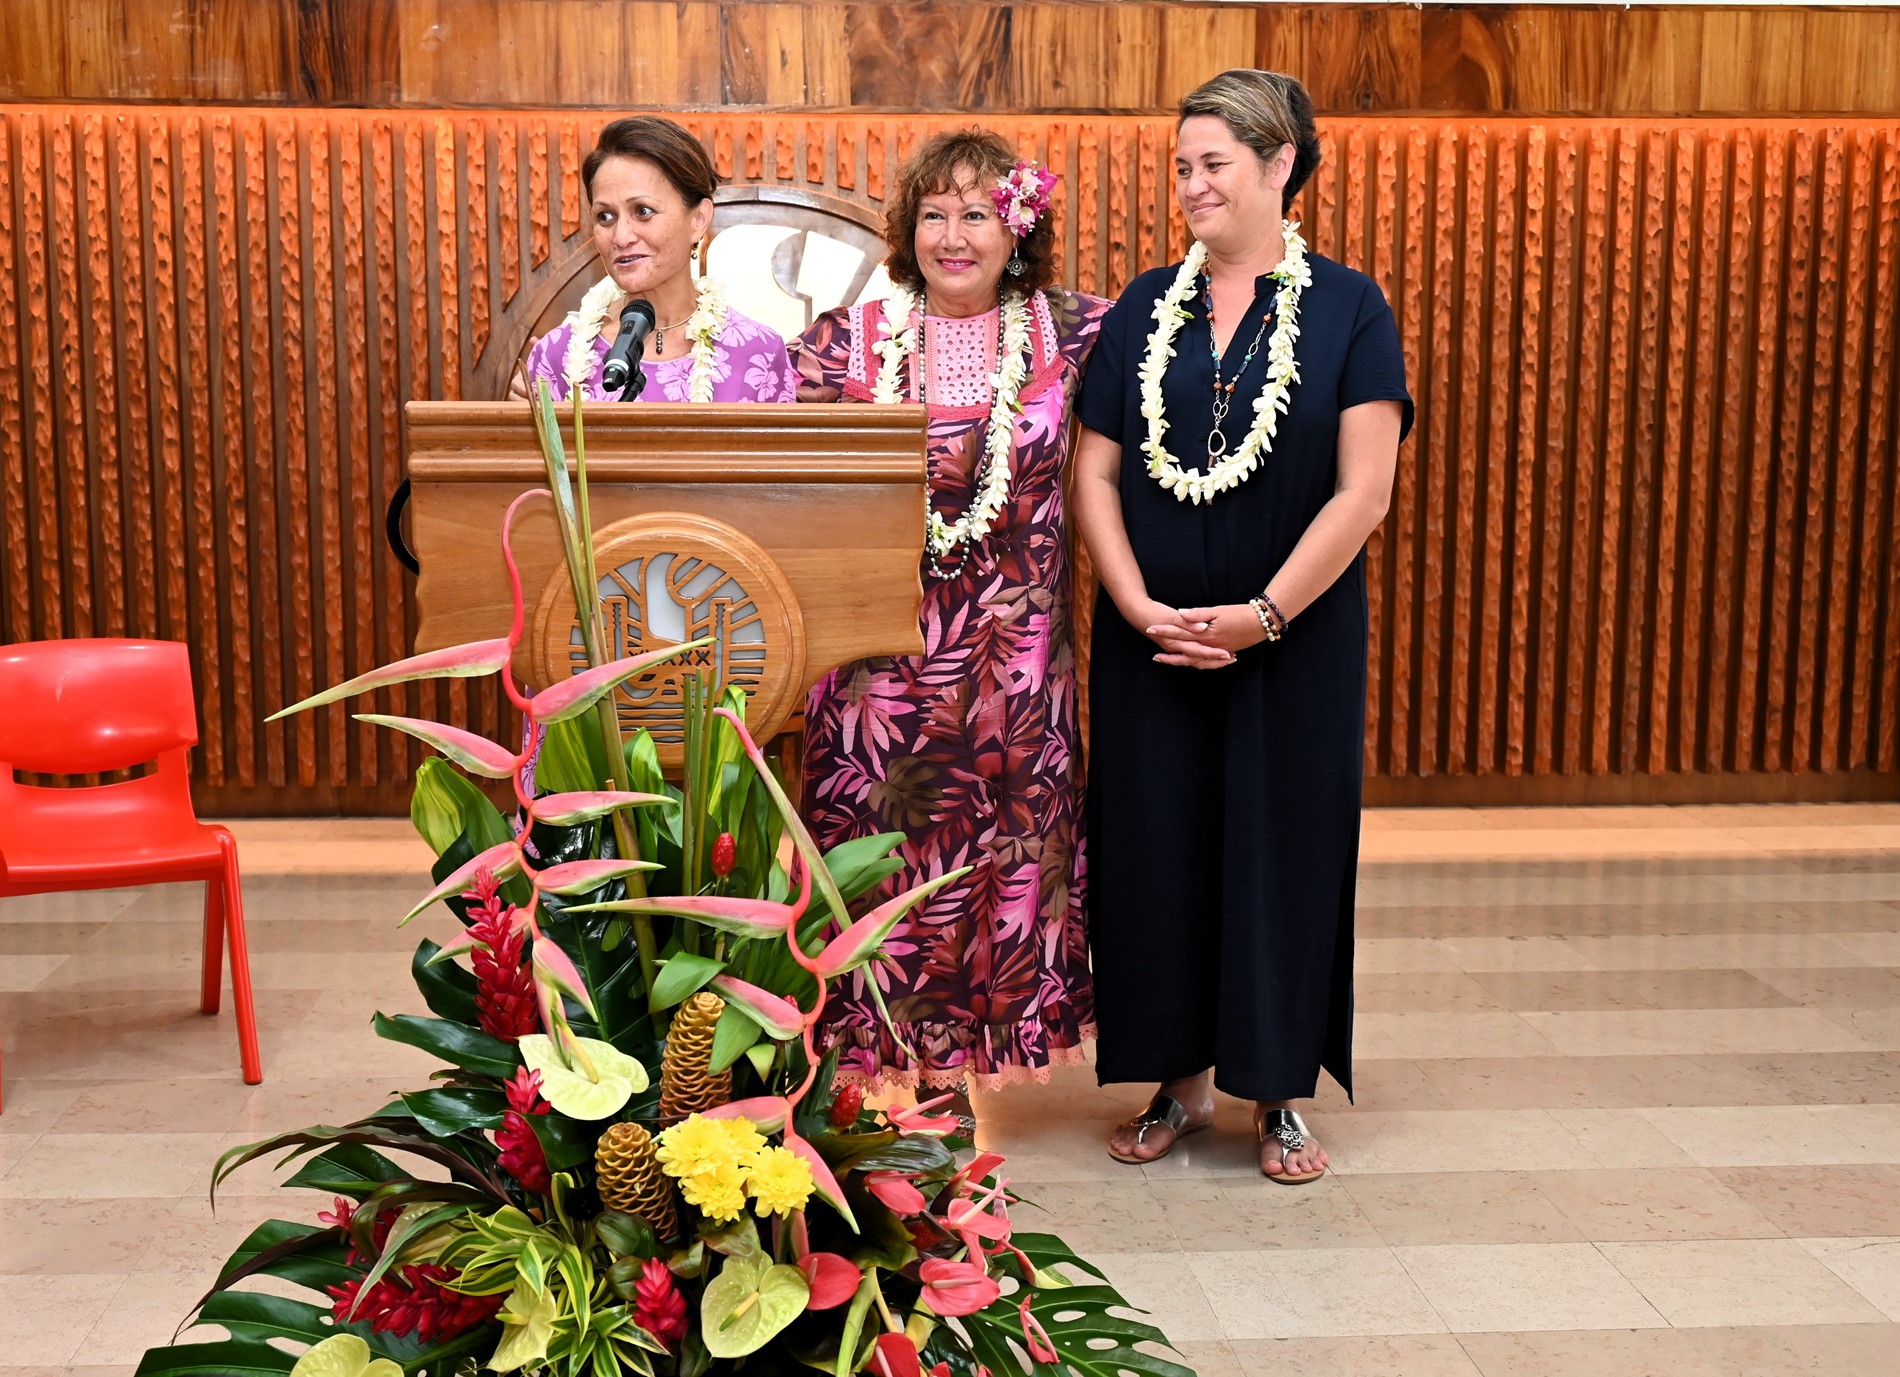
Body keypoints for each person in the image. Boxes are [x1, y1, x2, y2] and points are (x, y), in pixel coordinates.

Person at [1072, 70, 1411, 1182]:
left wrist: (1263, 616)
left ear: (1280, 165)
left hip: (1293, 644)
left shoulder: (1351, 308)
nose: (1191, 184)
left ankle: (1276, 1095)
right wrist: (1133, 602)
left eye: (1213, 163)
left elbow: (1363, 491)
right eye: (1182, 166)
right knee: (1157, 847)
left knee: (1281, 848)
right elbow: (1094, 472)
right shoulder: (1141, 308)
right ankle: (1177, 1085)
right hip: (1153, 644)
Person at [791, 131, 1111, 1123]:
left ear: (1017, 229)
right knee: (885, 872)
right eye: (933, 214)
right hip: (876, 677)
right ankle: (892, 1081)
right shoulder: (843, 342)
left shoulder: (1078, 332)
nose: (952, 235)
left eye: (976, 212)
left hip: (1017, 677)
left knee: (999, 872)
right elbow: (781, 478)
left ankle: (965, 1073)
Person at [516, 116, 797, 404]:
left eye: (643, 211)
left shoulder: (758, 353)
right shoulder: (558, 356)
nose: (621, 237)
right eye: (605, 216)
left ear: (699, 219)